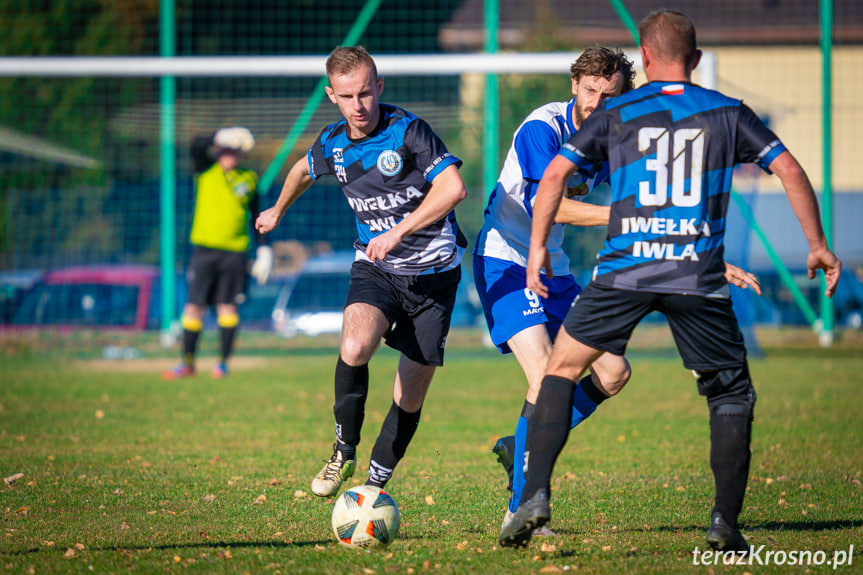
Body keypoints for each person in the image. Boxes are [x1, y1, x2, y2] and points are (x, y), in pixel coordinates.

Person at [500, 9, 842, 551]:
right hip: (694, 274)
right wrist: (818, 245)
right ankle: (724, 526)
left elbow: (559, 177)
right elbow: (792, 170)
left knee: (561, 371)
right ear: (698, 61)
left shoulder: (622, 112)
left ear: (647, 59)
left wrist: (538, 245)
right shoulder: (727, 111)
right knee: (729, 392)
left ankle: (535, 493)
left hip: (625, 270)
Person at [475, 46, 762, 530]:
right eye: (589, 90)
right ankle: (522, 507)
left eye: (607, 94)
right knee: (546, 376)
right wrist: (624, 216)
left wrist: (710, 257)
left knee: (613, 373)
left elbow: (658, 208)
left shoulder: (616, 137)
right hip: (506, 261)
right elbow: (555, 205)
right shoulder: (542, 129)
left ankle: (520, 446)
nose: (595, 102)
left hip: (555, 269)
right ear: (574, 85)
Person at [255, 46, 468, 497]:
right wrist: (276, 209)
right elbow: (301, 170)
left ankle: (373, 487)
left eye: (367, 94)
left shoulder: (409, 132)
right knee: (354, 346)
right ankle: (343, 450)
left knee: (409, 395)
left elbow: (453, 188)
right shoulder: (333, 142)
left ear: (380, 88)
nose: (359, 105)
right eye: (348, 96)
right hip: (377, 269)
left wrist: (398, 231)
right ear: (332, 95)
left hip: (435, 278)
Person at [163, 126, 273, 380]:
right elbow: (195, 145)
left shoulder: (249, 179)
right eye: (225, 150)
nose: (230, 155)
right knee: (194, 306)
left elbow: (258, 217)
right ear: (218, 151)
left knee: (228, 307)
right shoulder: (205, 170)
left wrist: (264, 248)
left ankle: (222, 363)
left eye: (234, 150)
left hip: (235, 252)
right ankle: (187, 362)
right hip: (204, 250)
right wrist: (218, 135)